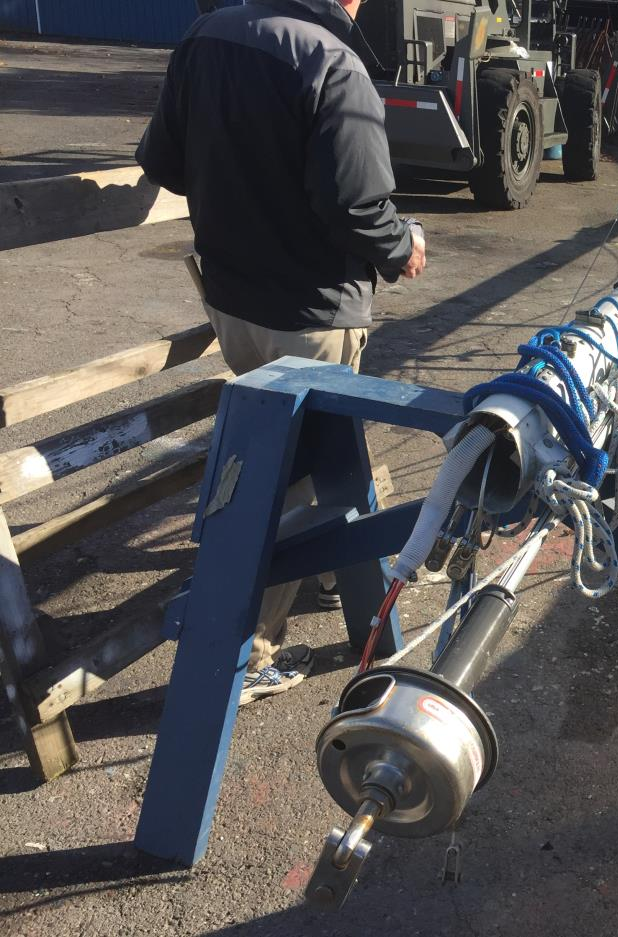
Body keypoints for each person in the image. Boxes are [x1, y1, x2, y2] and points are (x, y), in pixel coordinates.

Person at [137, 0, 425, 704]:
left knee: (306, 456)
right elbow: (357, 205)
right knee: (288, 481)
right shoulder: (335, 65)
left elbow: (164, 163)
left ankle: (331, 571)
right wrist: (404, 246)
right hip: (311, 317)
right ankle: (244, 653)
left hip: (233, 307)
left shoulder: (203, 37)